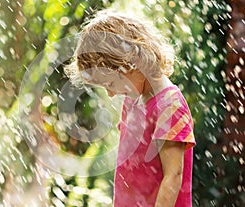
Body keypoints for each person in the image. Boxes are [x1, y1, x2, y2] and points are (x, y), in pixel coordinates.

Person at [64, 9, 196, 207]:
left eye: (110, 84)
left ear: (132, 63)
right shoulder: (133, 101)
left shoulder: (169, 107)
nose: (110, 93)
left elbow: (173, 176)